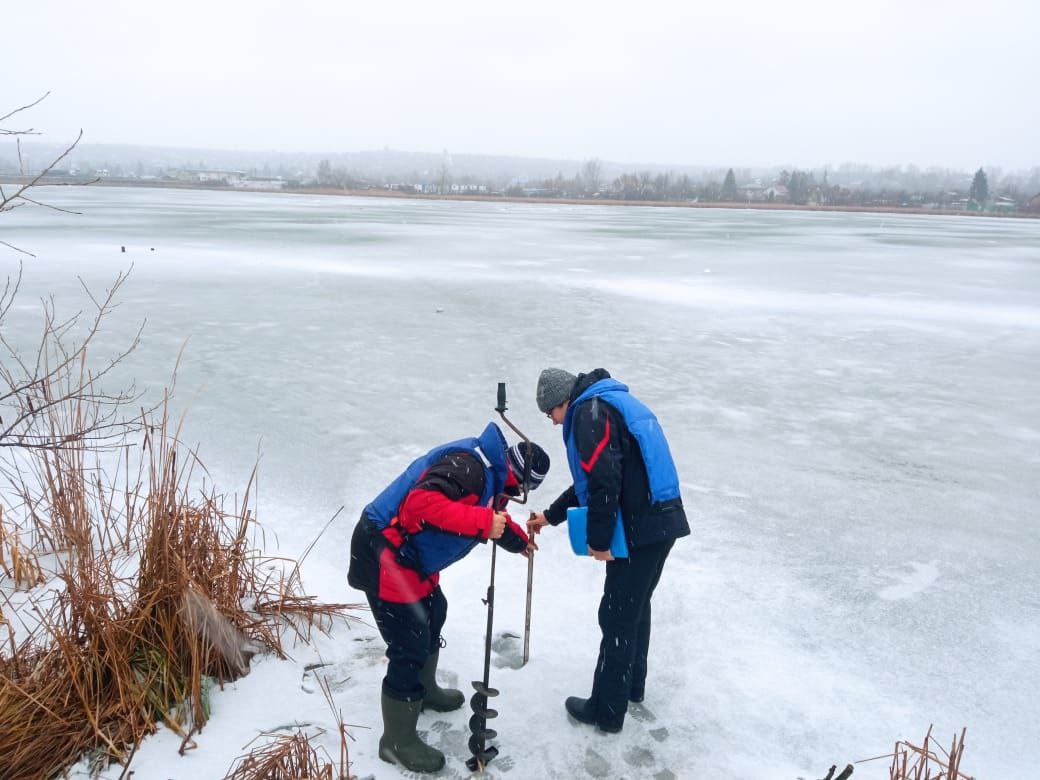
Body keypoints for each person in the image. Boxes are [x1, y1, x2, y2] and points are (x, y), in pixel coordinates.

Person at [348, 422, 549, 773]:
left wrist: (516, 541)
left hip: (407, 555)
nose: (513, 498)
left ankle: (423, 690)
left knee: (434, 610)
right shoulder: (470, 468)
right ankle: (396, 742)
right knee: (409, 641)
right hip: (381, 548)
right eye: (519, 491)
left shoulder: (490, 471)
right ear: (518, 479)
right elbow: (420, 505)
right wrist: (483, 522)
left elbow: (489, 514)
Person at [528, 367, 689, 733]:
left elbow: (603, 481)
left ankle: (605, 711)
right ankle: (631, 688)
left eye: (549, 413)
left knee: (616, 615)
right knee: (634, 607)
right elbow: (593, 476)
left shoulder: (589, 414)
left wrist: (599, 542)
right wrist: (552, 517)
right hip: (662, 522)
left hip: (639, 529)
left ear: (563, 401)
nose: (552, 423)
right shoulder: (607, 404)